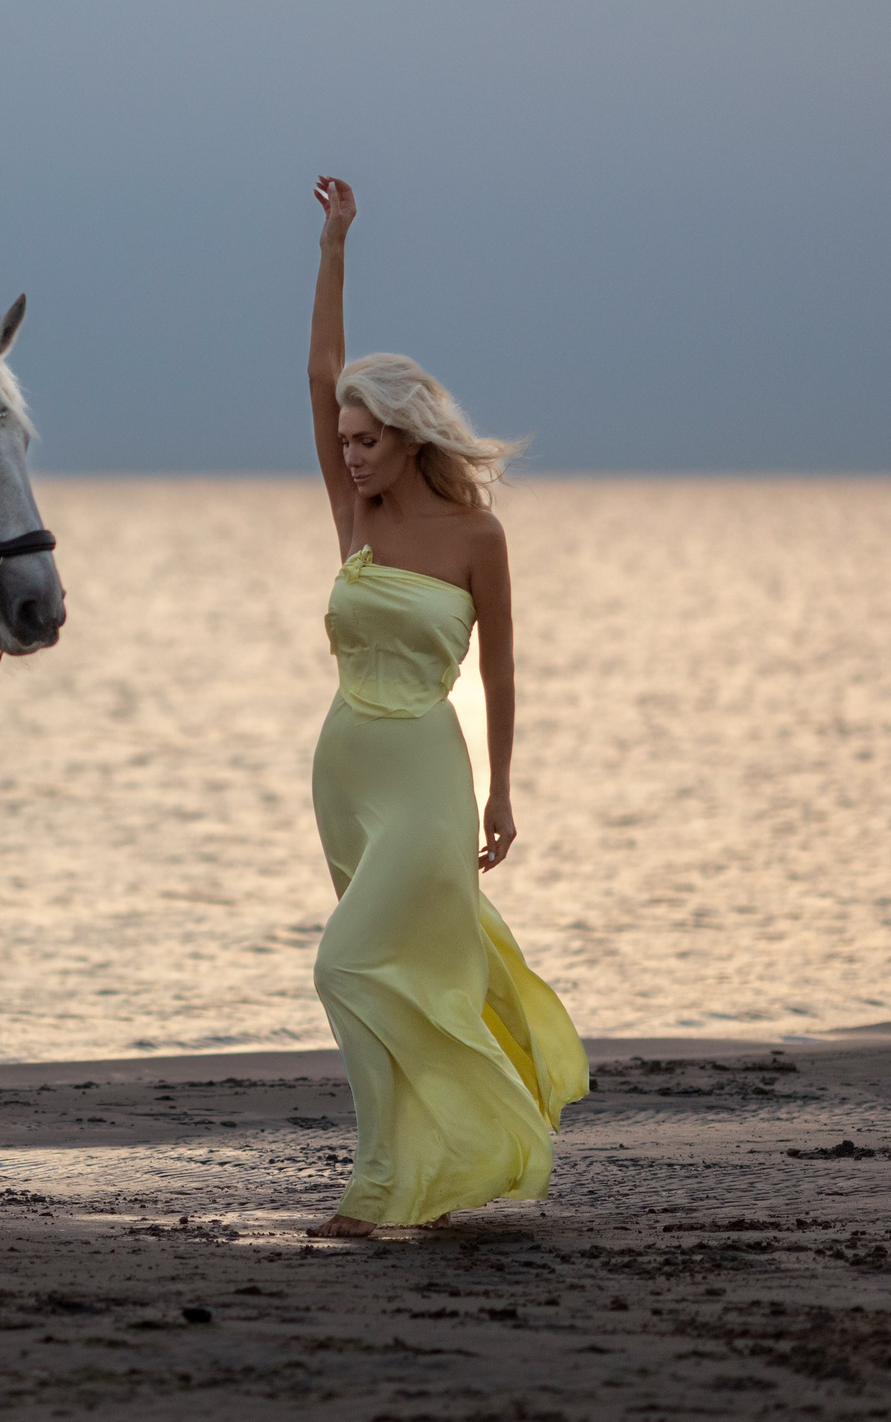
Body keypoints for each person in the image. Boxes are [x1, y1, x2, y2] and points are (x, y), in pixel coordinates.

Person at [301, 176, 586, 1238]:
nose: (349, 452)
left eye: (366, 438)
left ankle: (381, 1185)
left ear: (410, 435)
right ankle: (397, 1169)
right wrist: (334, 248)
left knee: (348, 962)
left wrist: (503, 789)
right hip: (345, 772)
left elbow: (502, 672)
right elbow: (321, 369)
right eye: (341, 440)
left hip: (426, 770)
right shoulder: (353, 513)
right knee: (383, 975)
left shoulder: (477, 540)